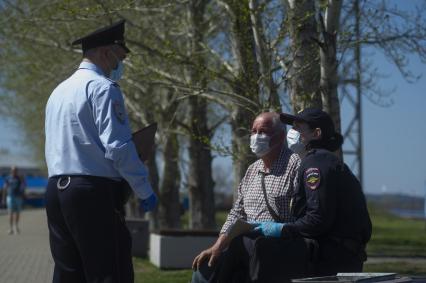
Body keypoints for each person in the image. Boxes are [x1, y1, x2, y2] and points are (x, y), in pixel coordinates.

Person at [44, 20, 157, 283]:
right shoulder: (104, 89)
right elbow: (117, 147)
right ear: (106, 52)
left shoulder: (57, 92)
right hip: (92, 193)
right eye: (119, 56)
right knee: (109, 273)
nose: (120, 64)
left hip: (56, 191)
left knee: (68, 274)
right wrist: (144, 189)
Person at [191, 112, 301, 283]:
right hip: (242, 247)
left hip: (274, 249)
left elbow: (304, 218)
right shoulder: (252, 170)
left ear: (280, 137)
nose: (256, 137)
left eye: (262, 131)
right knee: (203, 272)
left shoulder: (295, 165)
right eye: (253, 131)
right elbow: (237, 213)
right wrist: (217, 247)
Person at [278, 107, 372, 279]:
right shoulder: (323, 160)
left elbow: (317, 219)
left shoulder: (316, 163)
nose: (292, 133)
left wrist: (282, 229)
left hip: (333, 259)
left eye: (298, 128)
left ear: (316, 133)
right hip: (341, 254)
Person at [2, 166, 25, 234]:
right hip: (10, 197)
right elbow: (5, 188)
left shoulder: (19, 178)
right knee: (10, 213)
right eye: (13, 170)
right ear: (11, 171)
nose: (14, 171)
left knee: (17, 213)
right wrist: (3, 198)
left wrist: (23, 194)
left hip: (18, 197)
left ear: (17, 171)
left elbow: (23, 186)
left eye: (15, 170)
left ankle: (16, 227)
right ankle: (11, 228)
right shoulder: (8, 178)